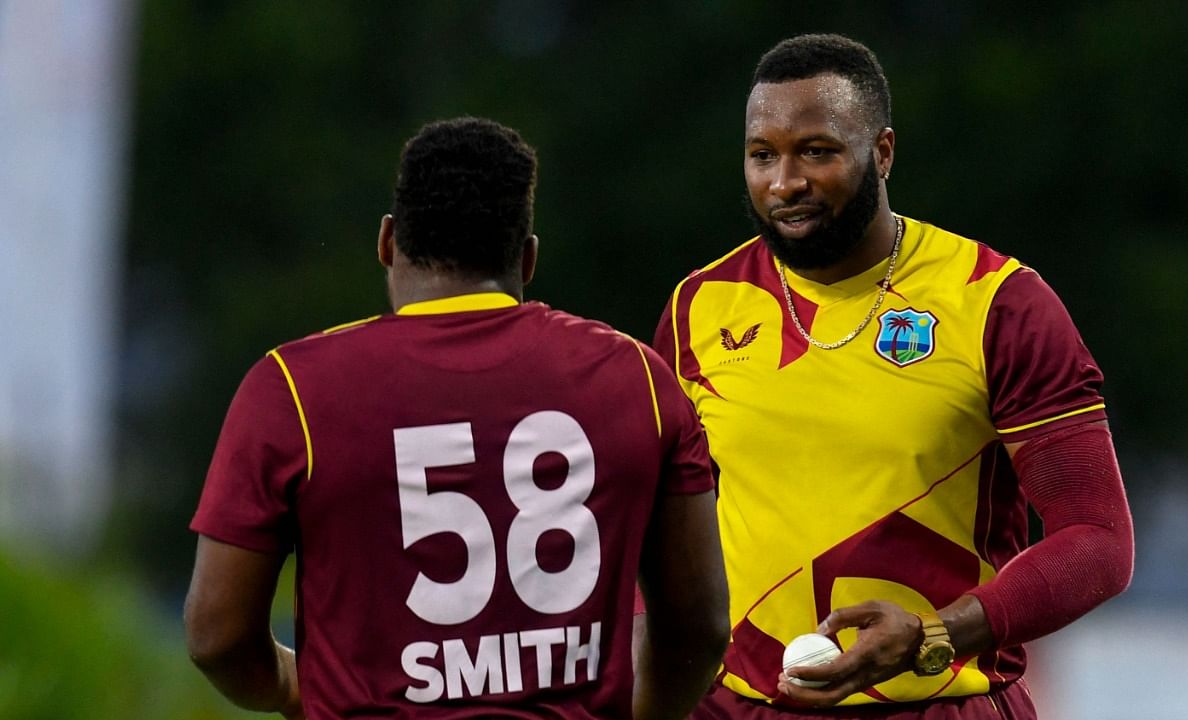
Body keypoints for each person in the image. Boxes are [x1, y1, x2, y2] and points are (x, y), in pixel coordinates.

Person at [651, 34, 1134, 718]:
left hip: (940, 701)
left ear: (882, 152)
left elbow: (1098, 540)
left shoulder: (997, 301)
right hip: (741, 706)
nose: (784, 184)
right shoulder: (697, 307)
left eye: (816, 151)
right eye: (763, 156)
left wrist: (935, 634)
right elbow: (655, 527)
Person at [184, 117, 729, 719]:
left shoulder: (290, 388)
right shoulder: (638, 378)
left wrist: (295, 687)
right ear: (527, 258)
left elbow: (218, 637)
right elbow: (699, 628)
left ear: (388, 242)